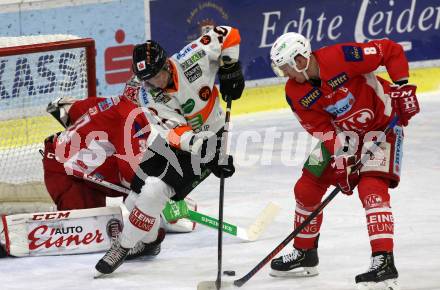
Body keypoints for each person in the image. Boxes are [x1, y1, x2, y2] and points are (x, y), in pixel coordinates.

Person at [269, 32, 419, 290]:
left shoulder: (340, 57)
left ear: (300, 60)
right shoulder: (295, 92)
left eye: (286, 68)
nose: (286, 75)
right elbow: (322, 130)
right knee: (306, 186)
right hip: (343, 137)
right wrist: (343, 161)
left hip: (381, 128)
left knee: (371, 188)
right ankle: (305, 253)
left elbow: (389, 50)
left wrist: (402, 86)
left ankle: (383, 262)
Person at [94, 25, 245, 276]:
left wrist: (230, 66)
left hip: (213, 134)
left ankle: (122, 247)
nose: (153, 83)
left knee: (154, 192)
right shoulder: (148, 96)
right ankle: (150, 243)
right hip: (181, 141)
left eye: (156, 75)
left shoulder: (192, 55)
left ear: (166, 64)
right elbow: (175, 133)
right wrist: (206, 152)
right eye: (147, 79)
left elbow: (228, 33)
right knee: (135, 199)